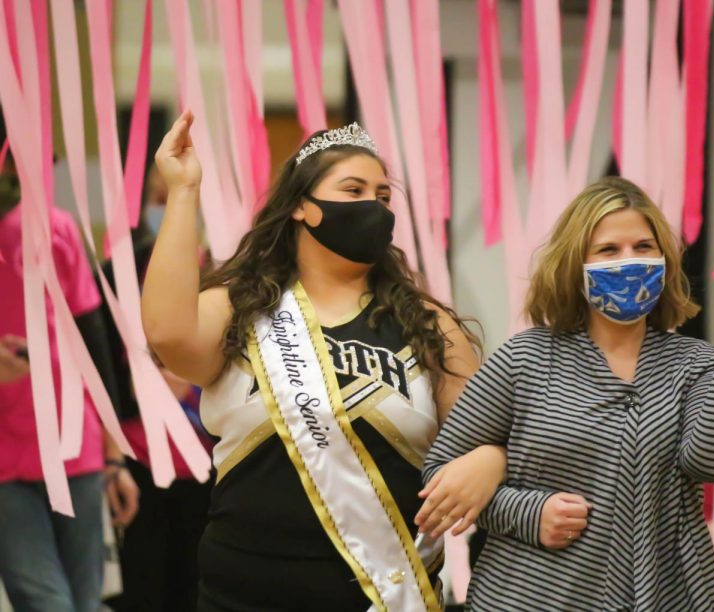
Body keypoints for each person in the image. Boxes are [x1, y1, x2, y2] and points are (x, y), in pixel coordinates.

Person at [141, 111, 506, 611]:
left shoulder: (429, 324)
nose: (373, 207)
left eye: (382, 197)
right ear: (300, 208)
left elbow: (484, 437)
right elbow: (167, 335)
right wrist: (183, 192)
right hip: (243, 594)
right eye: (353, 191)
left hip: (384, 593)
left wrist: (492, 458)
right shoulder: (238, 305)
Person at [418, 176, 714, 611]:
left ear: (664, 260)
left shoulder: (695, 363)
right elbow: (439, 474)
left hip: (670, 596)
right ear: (575, 265)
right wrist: (529, 513)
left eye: (643, 247)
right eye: (608, 250)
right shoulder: (525, 359)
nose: (629, 262)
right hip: (531, 597)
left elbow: (713, 463)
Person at [0, 154, 139, 612]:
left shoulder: (52, 227)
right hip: (5, 464)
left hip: (73, 446)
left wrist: (115, 457)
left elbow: (92, 339)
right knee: (46, 601)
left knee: (84, 601)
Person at [101, 165, 214, 612]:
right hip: (139, 459)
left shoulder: (226, 274)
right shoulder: (118, 273)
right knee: (142, 591)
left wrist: (192, 384)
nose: (163, 211)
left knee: (196, 591)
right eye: (156, 199)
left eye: (175, 200)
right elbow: (100, 369)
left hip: (208, 464)